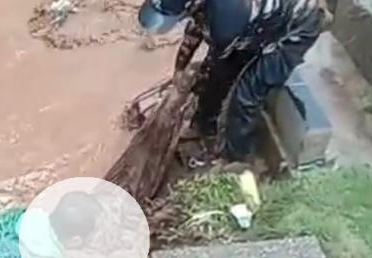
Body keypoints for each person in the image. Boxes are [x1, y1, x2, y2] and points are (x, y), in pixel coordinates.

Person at [137, 0, 331, 163]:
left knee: (246, 94)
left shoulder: (227, 18)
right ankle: (205, 126)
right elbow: (195, 31)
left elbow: (217, 55)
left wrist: (196, 78)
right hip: (257, 19)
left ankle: (236, 161)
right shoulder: (208, 9)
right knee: (218, 74)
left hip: (298, 25)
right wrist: (179, 70)